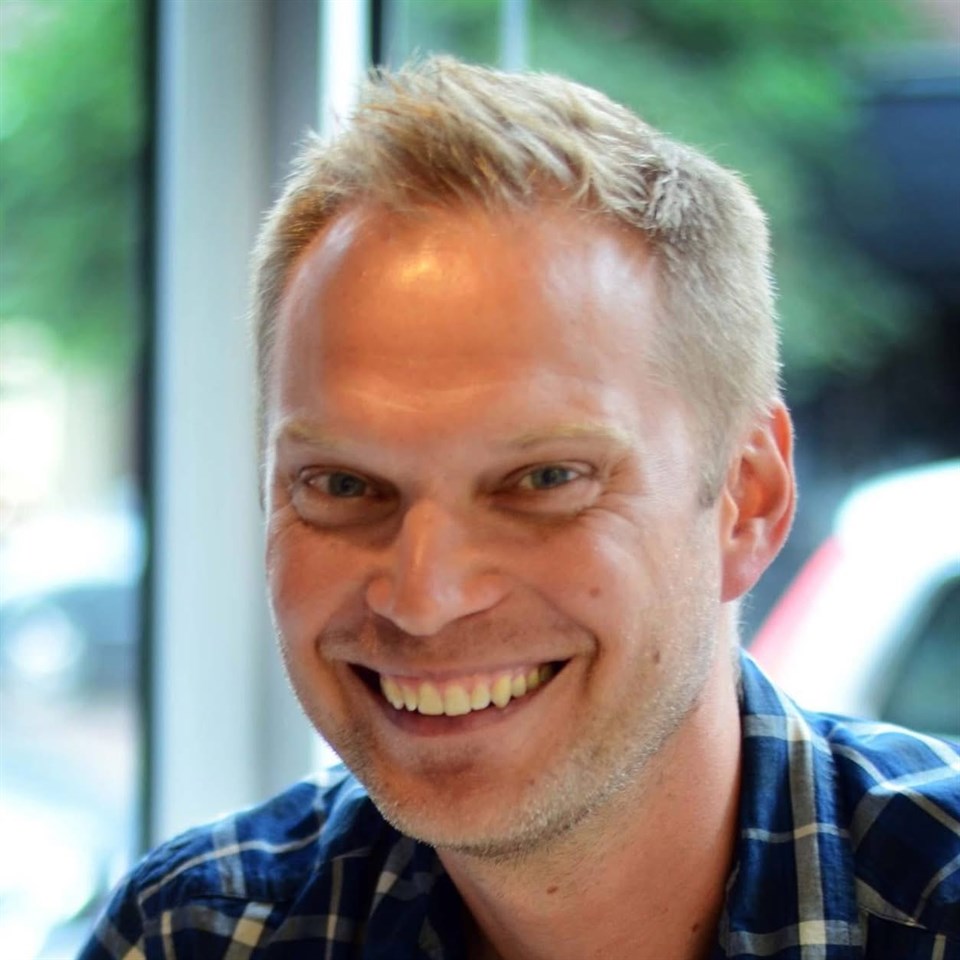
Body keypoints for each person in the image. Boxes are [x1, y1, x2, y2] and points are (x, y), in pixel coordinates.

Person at [80, 56, 959, 960]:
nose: (425, 599)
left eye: (543, 480)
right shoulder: (198, 932)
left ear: (748, 499)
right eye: (343, 486)